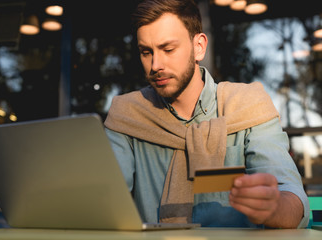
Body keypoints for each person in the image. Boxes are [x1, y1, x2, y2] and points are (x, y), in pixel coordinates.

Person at [104, 0, 309, 228]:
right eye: (146, 52)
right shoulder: (126, 115)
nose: (155, 64)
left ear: (199, 47)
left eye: (168, 49)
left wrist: (275, 207)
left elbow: (293, 199)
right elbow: (104, 203)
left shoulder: (247, 105)